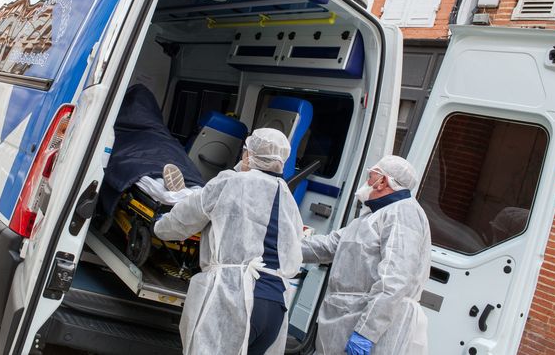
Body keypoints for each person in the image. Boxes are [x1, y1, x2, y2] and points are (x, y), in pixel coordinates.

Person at [154, 128, 304, 355]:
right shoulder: (287, 197)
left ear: (247, 154)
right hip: (274, 307)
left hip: (236, 300)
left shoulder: (230, 182)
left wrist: (159, 226)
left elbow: (182, 220)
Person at [302, 155, 431, 355]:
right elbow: (329, 246)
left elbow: (394, 280)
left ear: (383, 182)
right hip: (345, 320)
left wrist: (366, 333)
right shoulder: (372, 216)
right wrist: (281, 245)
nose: (367, 183)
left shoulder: (403, 214)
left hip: (372, 327)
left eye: (370, 177)